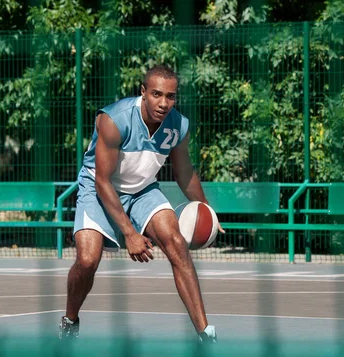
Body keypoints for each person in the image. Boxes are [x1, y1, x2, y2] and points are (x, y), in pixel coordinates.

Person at [59, 65, 223, 342]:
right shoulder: (114, 119)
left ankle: (206, 334)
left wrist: (207, 211)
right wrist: (130, 234)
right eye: (157, 94)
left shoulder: (178, 125)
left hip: (143, 190)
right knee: (87, 260)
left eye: (170, 96)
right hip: (99, 188)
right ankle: (70, 320)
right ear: (143, 92)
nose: (163, 103)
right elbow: (102, 181)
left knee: (176, 243)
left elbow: (184, 172)